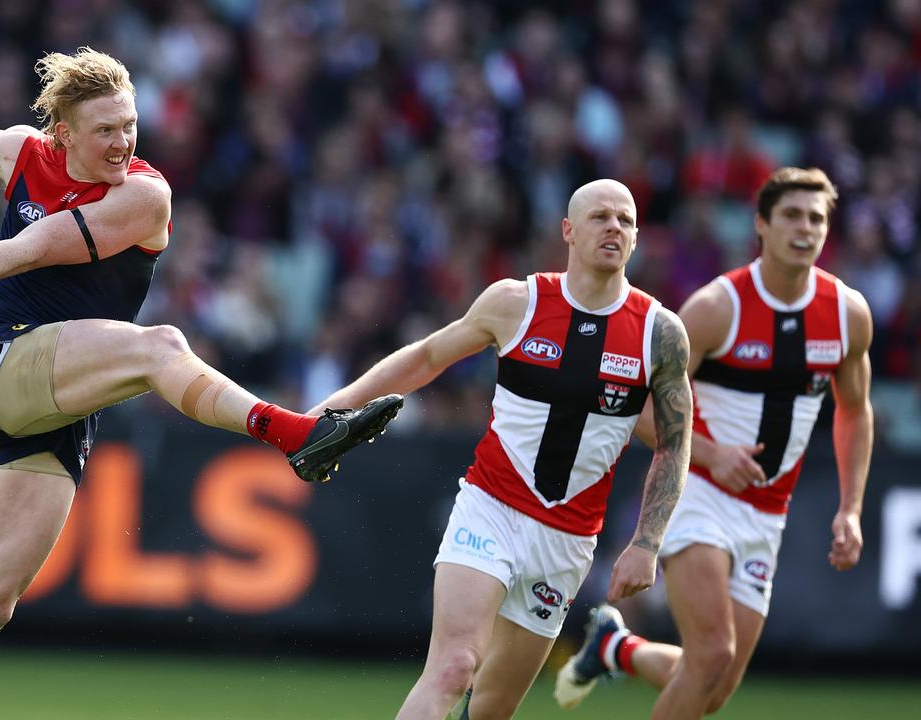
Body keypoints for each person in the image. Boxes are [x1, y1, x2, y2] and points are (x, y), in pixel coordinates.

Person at [0, 28, 403, 720]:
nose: (124, 143)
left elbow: (39, 243)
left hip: (59, 408)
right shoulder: (26, 156)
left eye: (131, 125)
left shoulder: (147, 196)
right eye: (106, 130)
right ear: (61, 132)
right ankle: (294, 434)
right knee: (161, 345)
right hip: (8, 364)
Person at [312, 179, 693, 720]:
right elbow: (426, 357)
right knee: (453, 666)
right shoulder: (518, 302)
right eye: (600, 216)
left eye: (626, 220)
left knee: (490, 708)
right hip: (490, 507)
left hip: (567, 540)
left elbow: (675, 443)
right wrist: (331, 409)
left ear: (635, 239)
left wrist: (647, 542)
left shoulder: (660, 333)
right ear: (568, 230)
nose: (614, 227)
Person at [555, 167, 874, 719]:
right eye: (792, 215)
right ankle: (615, 648)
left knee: (714, 685)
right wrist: (711, 453)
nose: (806, 228)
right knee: (712, 655)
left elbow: (854, 409)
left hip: (767, 514)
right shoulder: (716, 308)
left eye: (817, 218)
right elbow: (633, 401)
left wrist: (850, 509)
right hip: (696, 493)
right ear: (762, 225)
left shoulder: (847, 314)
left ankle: (614, 648)